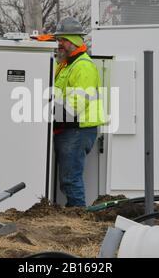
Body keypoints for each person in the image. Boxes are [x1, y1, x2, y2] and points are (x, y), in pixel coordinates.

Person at [53, 17, 105, 207]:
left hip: (77, 129)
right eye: (59, 40)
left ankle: (77, 218)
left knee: (71, 178)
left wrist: (53, 119)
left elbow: (76, 105)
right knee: (68, 179)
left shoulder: (82, 65)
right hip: (69, 128)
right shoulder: (66, 64)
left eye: (63, 40)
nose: (60, 44)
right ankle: (74, 215)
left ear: (75, 41)